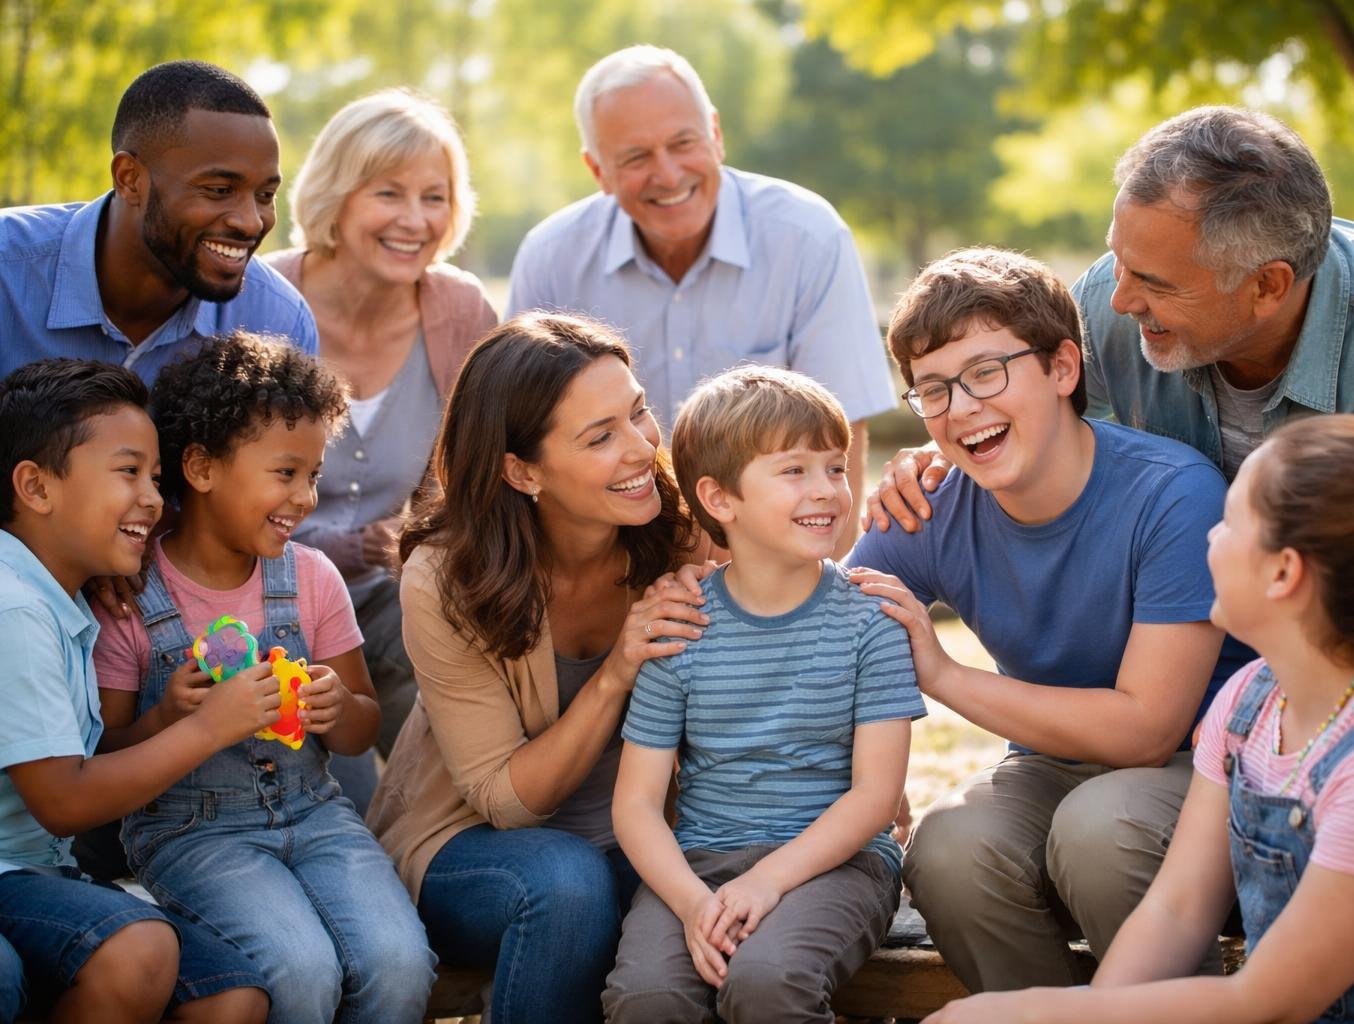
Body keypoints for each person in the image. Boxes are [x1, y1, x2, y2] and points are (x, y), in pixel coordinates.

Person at [925, 414, 1354, 1023]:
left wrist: (1036, 1015)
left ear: (1284, 572)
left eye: (1230, 523)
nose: (1208, 536)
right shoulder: (1249, 703)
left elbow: (1265, 1001)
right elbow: (1176, 910)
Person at [848, 248, 1249, 991]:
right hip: (1052, 765)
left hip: (1196, 766)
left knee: (1100, 829)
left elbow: (1146, 729)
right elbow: (825, 634)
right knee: (949, 846)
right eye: (933, 389)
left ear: (1063, 368)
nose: (960, 408)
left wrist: (942, 674)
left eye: (985, 373)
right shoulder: (928, 502)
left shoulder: (1172, 494)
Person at [863, 105, 1354, 533]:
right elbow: (1034, 419)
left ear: (1267, 286)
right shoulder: (1107, 303)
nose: (1120, 300)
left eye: (1155, 283)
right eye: (1118, 260)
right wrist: (950, 453)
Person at [366, 313, 705, 1024]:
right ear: (522, 470)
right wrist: (617, 670)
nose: (642, 447)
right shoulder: (447, 578)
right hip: (472, 852)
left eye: (639, 411)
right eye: (600, 436)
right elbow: (507, 801)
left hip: (640, 836)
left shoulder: (682, 530)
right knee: (569, 884)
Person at [89, 336, 436, 1023]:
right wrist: (171, 719)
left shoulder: (311, 577)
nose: (305, 497)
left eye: (313, 474)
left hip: (316, 814)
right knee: (297, 971)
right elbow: (102, 755)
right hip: (193, 832)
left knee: (399, 965)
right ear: (201, 467)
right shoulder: (129, 596)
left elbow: (361, 727)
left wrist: (337, 708)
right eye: (285, 473)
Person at [603, 365, 924, 1023]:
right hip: (700, 865)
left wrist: (768, 881)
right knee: (647, 999)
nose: (827, 489)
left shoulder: (871, 621)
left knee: (768, 983)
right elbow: (635, 804)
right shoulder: (680, 626)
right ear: (720, 499)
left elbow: (876, 798)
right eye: (794, 470)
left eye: (835, 468)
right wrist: (693, 903)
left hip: (838, 864)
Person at [506, 44, 895, 555]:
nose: (668, 175)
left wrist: (825, 585)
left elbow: (840, 434)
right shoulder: (550, 258)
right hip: (607, 559)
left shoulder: (809, 238)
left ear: (715, 134)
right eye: (636, 157)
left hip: (766, 559)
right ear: (598, 170)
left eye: (683, 142)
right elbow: (520, 437)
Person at [0, 358, 270, 1023]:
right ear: (36, 486)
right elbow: (64, 800)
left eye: (155, 476)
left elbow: (76, 764)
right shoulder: (15, 608)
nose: (153, 499)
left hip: (40, 870)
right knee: (139, 950)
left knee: (230, 996)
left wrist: (162, 722)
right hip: (10, 870)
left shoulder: (62, 598)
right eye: (128, 472)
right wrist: (207, 729)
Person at [268, 87, 498, 801]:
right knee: (333, 800)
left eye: (435, 197)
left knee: (448, 786)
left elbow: (490, 465)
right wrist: (342, 547)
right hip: (268, 600)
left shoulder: (460, 310)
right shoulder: (261, 300)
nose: (416, 220)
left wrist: (423, 533)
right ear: (336, 197)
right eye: (389, 193)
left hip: (406, 600)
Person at [0, 60, 317, 384]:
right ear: (129, 178)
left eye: (265, 195)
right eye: (219, 190)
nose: (251, 223)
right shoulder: (7, 274)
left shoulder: (279, 322)